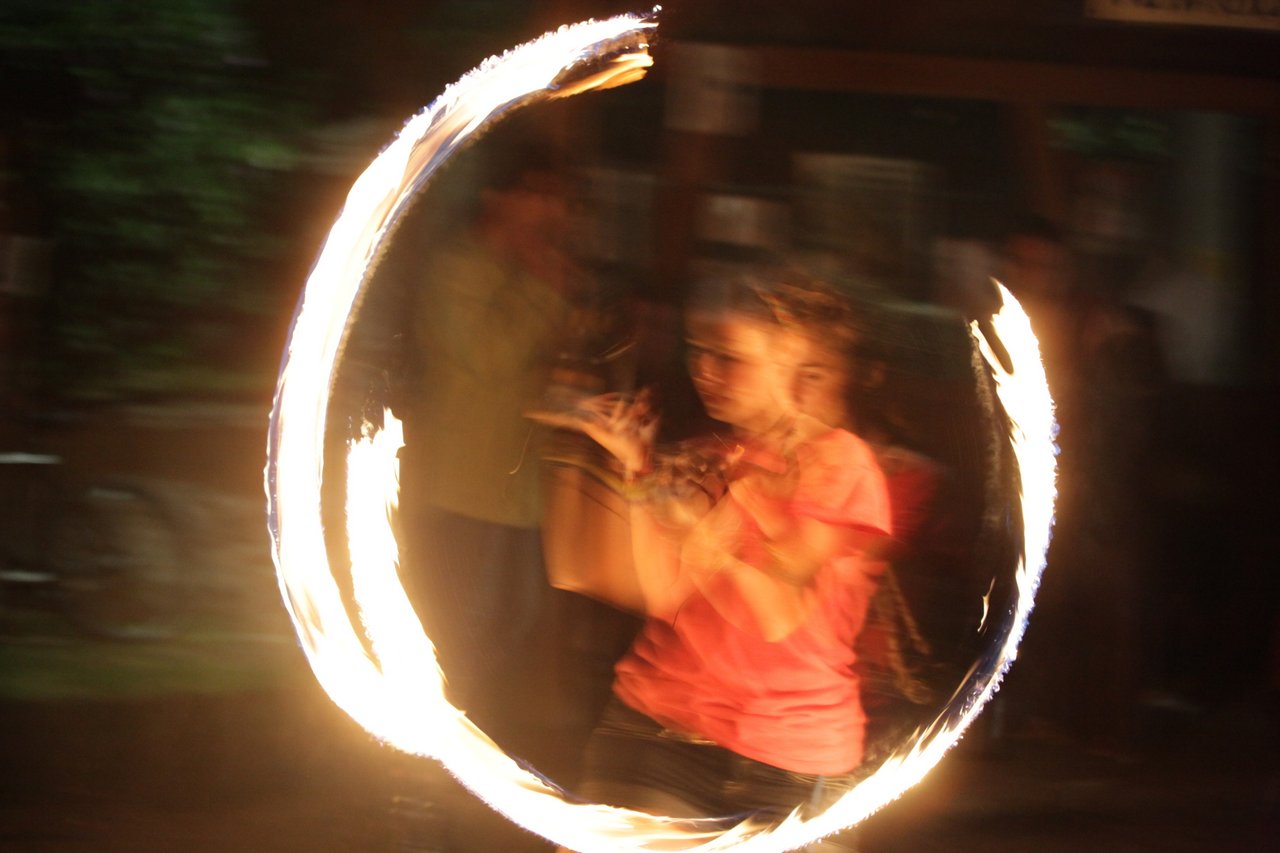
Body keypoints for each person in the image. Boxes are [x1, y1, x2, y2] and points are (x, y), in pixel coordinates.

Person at [535, 267, 892, 847]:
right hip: (657, 734)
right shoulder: (707, 455)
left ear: (785, 364)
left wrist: (705, 529)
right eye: (699, 350)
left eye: (729, 356)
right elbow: (650, 591)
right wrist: (629, 466)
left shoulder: (839, 466)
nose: (704, 369)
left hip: (791, 767)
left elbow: (777, 615)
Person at [396, 141, 577, 744]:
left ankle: (456, 739)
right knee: (462, 629)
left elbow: (555, 352)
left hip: (516, 487)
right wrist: (542, 283)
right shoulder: (458, 268)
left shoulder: (523, 269)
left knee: (514, 616)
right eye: (535, 194)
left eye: (554, 197)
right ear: (495, 198)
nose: (548, 209)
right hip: (464, 486)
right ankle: (431, 755)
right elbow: (491, 357)